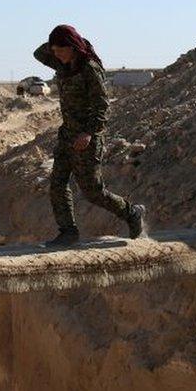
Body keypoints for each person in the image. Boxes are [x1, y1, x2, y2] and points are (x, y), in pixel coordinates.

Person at [34, 24, 145, 246]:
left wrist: (88, 133)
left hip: (86, 139)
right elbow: (38, 53)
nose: (55, 55)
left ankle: (131, 213)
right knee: (57, 182)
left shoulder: (90, 69)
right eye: (54, 51)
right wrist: (56, 43)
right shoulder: (61, 63)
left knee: (93, 192)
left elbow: (102, 105)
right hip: (67, 136)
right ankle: (68, 231)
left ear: (72, 47)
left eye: (60, 50)